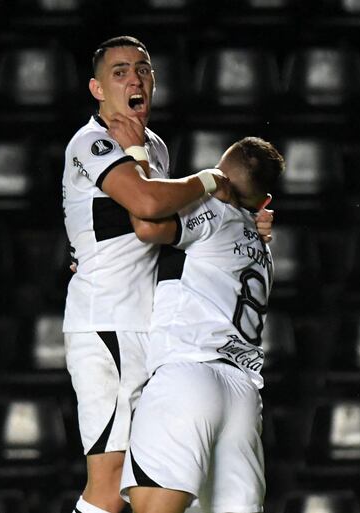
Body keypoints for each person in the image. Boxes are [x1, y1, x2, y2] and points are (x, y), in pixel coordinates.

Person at [62, 37, 273, 513]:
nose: (133, 78)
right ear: (97, 88)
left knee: (152, 484)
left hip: (151, 327)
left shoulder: (151, 147)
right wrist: (211, 181)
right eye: (118, 72)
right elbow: (148, 206)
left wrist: (243, 218)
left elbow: (171, 229)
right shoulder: (92, 140)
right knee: (109, 480)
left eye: (142, 69)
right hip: (110, 319)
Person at [120, 137, 284, 513]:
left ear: (220, 178)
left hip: (189, 373)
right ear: (265, 203)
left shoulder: (213, 210)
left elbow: (146, 220)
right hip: (241, 395)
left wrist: (137, 158)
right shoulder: (263, 249)